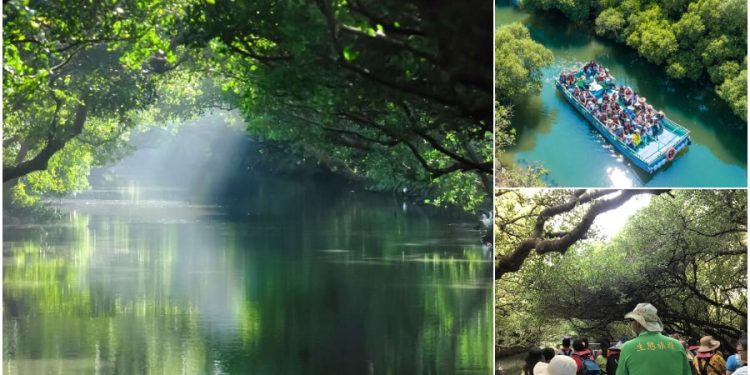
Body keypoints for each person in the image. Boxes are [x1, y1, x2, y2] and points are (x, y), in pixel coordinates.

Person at [616, 303, 693, 375]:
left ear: (638, 323)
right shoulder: (678, 345)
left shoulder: (627, 347)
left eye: (631, 321)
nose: (630, 324)